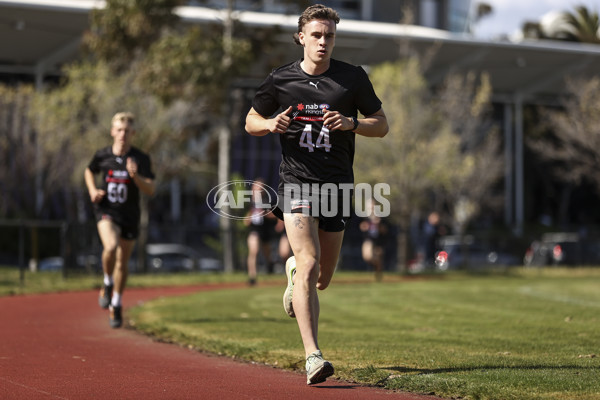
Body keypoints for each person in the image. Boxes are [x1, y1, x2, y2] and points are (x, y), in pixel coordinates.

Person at [245, 4, 388, 385]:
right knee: (309, 262)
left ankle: (293, 272)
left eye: (330, 36)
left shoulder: (352, 79)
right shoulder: (281, 80)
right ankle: (313, 356)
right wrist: (271, 122)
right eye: (317, 35)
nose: (324, 42)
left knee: (321, 277)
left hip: (338, 187)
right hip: (297, 184)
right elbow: (250, 120)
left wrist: (352, 122)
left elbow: (382, 125)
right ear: (301, 37)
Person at [84, 112, 156, 328]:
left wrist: (136, 177)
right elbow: (89, 170)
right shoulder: (103, 155)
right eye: (119, 129)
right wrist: (92, 190)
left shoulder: (140, 158)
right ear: (112, 131)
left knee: (123, 262)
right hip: (106, 210)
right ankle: (107, 282)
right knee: (111, 247)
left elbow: (151, 189)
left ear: (133, 133)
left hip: (129, 215)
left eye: (127, 131)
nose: (123, 134)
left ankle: (116, 303)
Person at [244, 179, 278, 285]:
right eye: (255, 187)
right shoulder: (250, 202)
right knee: (253, 251)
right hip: (254, 229)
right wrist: (248, 219)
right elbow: (246, 218)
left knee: (267, 253)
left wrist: (265, 213)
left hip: (265, 230)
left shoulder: (267, 201)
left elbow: (274, 216)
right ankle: (252, 276)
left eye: (260, 188)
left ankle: (270, 265)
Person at [360, 199, 388, 282]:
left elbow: (385, 230)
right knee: (367, 257)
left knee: (378, 257)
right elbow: (361, 227)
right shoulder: (364, 217)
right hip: (368, 240)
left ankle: (378, 276)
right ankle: (376, 268)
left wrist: (378, 224)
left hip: (379, 241)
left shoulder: (381, 217)